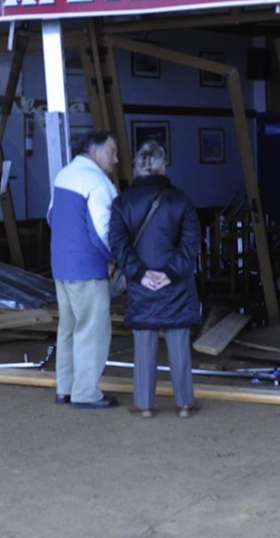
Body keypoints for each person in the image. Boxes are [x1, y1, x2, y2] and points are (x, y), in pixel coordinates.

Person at [109, 141, 201, 418]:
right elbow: (191, 243)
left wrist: (140, 273)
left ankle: (144, 404)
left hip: (141, 284)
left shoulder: (123, 201)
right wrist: (170, 273)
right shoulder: (181, 199)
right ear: (164, 166)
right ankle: (184, 402)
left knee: (144, 344)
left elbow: (118, 243)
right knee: (178, 343)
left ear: (137, 166)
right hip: (176, 284)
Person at [47, 129, 120, 409]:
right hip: (87, 268)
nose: (114, 159)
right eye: (111, 152)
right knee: (92, 330)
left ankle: (65, 388)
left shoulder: (64, 175)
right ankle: (86, 393)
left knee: (68, 328)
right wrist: (115, 257)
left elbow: (52, 216)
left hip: (61, 265)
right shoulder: (97, 182)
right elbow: (102, 230)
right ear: (94, 151)